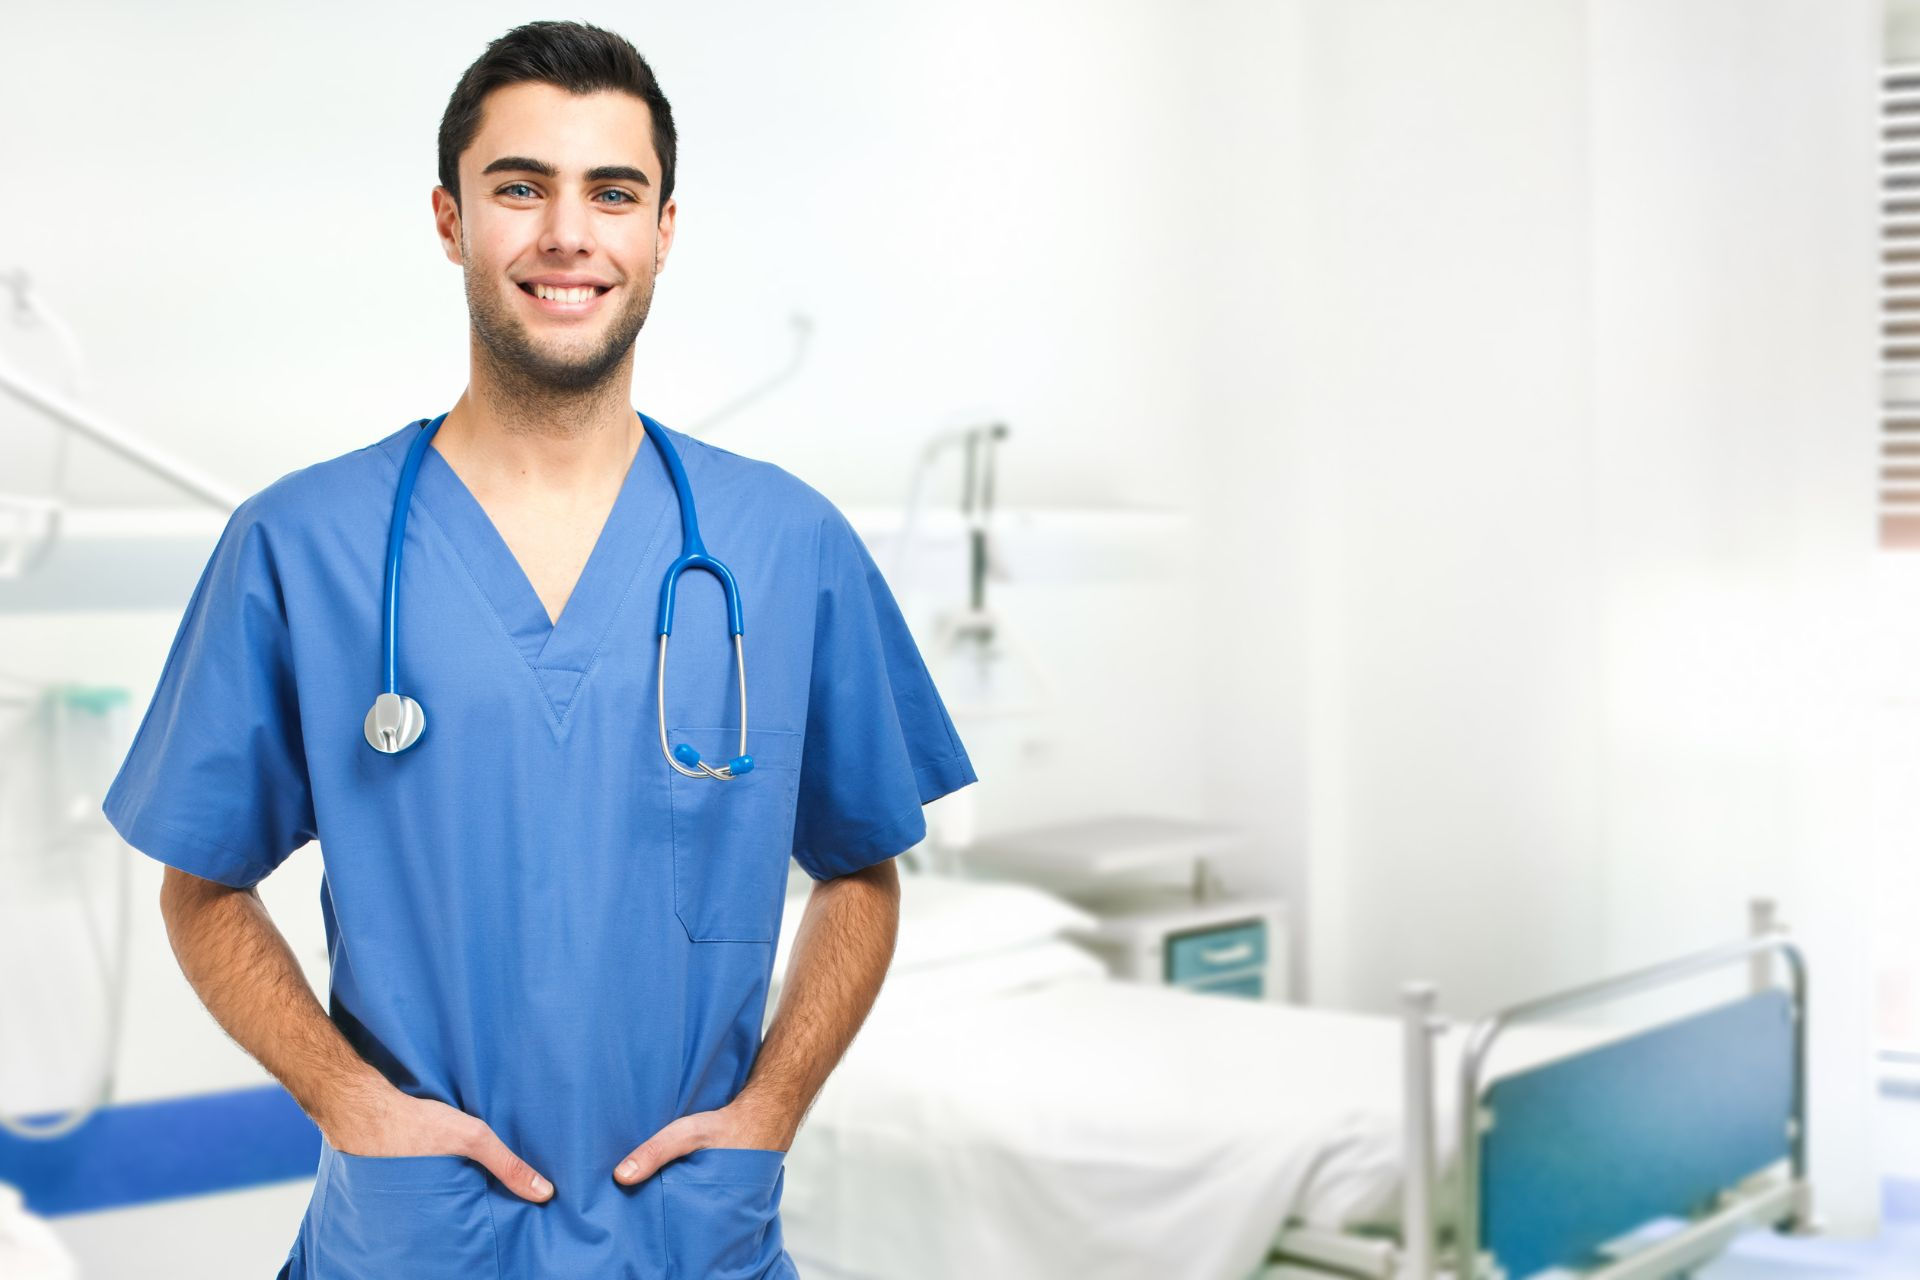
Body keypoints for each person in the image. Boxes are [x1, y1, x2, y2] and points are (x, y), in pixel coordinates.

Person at [99, 20, 976, 1279]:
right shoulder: (301, 543)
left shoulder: (787, 542)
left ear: (663, 230)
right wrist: (347, 1102)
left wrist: (773, 1107)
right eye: (522, 186)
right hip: (414, 1243)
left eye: (612, 192)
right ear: (452, 219)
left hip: (690, 1241)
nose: (569, 232)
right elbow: (200, 885)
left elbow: (864, 870)